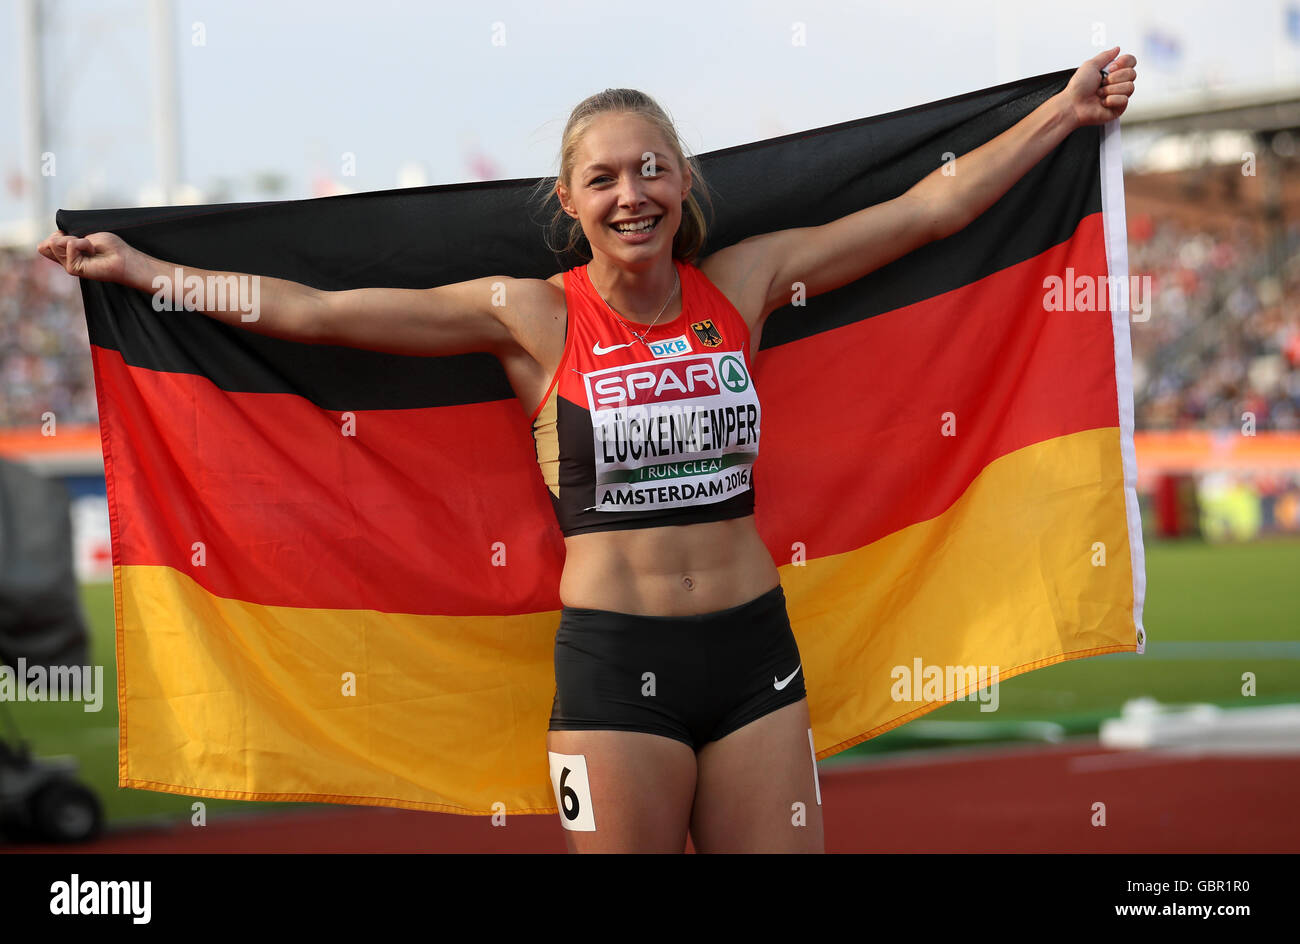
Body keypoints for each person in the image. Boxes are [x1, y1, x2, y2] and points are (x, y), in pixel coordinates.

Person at [38, 46, 1136, 853]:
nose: (632, 193)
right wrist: (151, 276)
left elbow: (927, 211)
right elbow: (320, 315)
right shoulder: (531, 318)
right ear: (568, 203)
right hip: (618, 672)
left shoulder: (742, 284)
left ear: (682, 186)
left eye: (651, 169)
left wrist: (1059, 114)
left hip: (758, 655)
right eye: (604, 178)